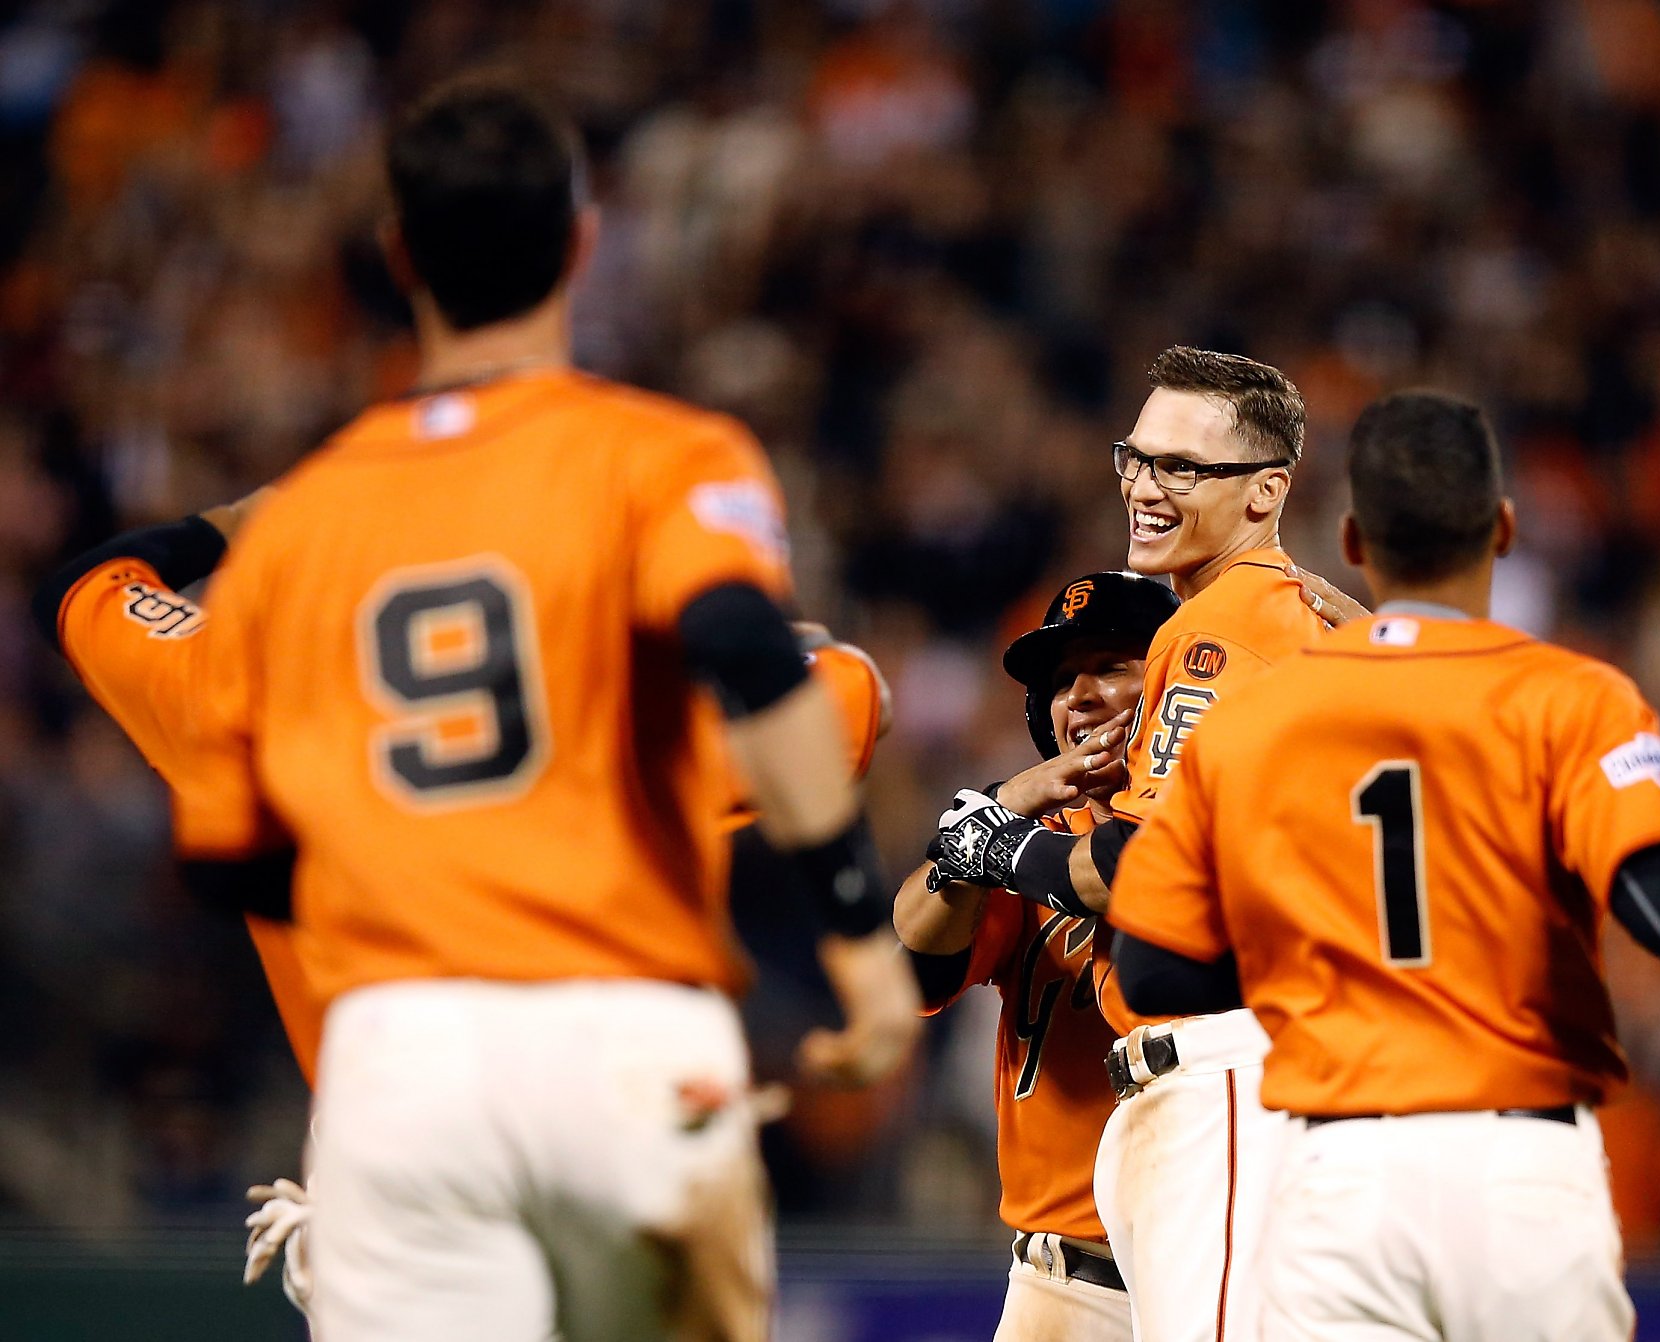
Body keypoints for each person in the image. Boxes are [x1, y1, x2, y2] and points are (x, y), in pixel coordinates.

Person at [162, 76, 918, 1342]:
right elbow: (744, 648)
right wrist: (856, 946)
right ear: (581, 241)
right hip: (619, 1029)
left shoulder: (295, 527)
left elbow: (234, 856)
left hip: (399, 1063)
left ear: (400, 256)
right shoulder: (662, 452)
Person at [1108, 390, 1660, 1342]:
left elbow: (1153, 969)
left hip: (1336, 1182)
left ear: (1352, 542)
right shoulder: (1571, 696)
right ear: (1504, 528)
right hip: (1521, 1172)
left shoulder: (1256, 721)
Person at [30, 489, 892, 1318]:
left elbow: (82, 588)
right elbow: (852, 697)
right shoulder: (603, 705)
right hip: (584, 1128)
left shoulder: (231, 682)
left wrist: (231, 524)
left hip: (389, 1154)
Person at [925, 347, 1329, 1340]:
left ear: (1264, 492)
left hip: (1233, 1075)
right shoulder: (1302, 620)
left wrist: (997, 845)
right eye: (1136, 459)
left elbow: (1135, 872)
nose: (1147, 487)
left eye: (1182, 467)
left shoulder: (1226, 626)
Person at [897, 571, 1178, 1342]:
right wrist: (1006, 809)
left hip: (1216, 1250)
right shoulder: (1025, 844)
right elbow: (916, 961)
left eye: (1113, 666)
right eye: (1060, 680)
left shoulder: (1224, 824)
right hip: (1072, 1283)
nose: (1079, 696)